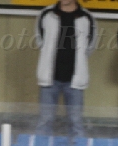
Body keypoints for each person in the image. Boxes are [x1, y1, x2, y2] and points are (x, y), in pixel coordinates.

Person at [35, 0, 97, 138]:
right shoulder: (46, 14)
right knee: (45, 120)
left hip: (75, 80)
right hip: (49, 79)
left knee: (76, 122)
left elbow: (90, 46)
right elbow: (40, 41)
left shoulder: (86, 17)